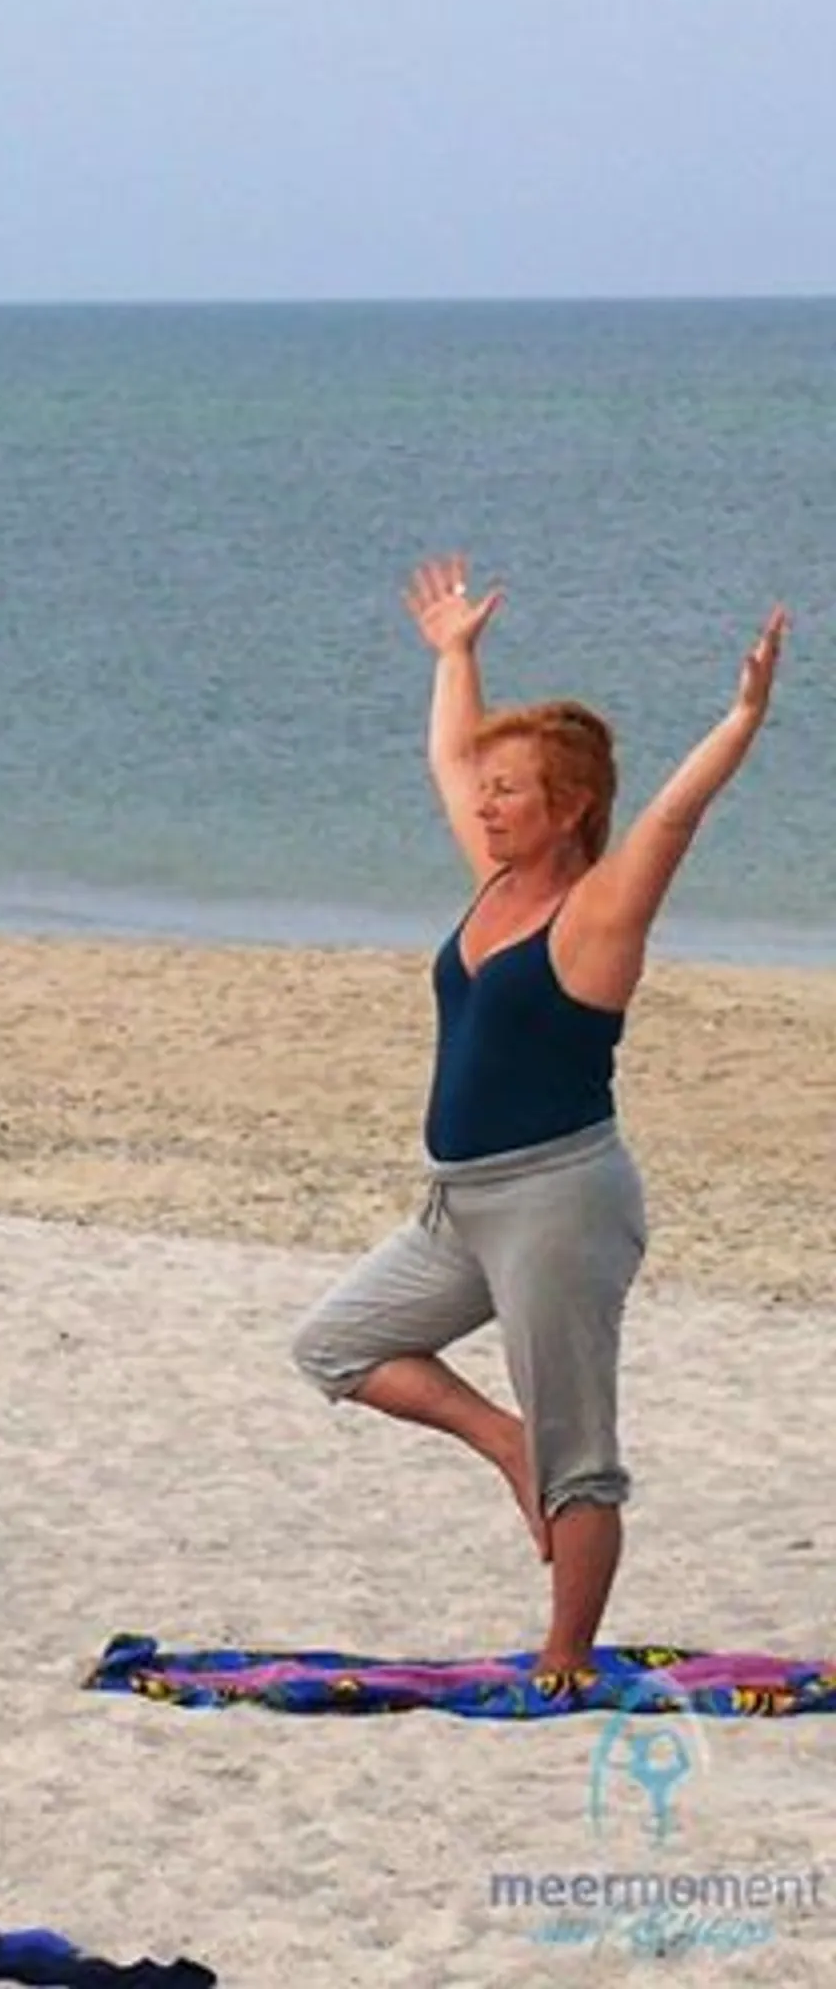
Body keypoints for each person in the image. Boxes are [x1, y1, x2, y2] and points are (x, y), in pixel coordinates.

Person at [290, 556, 787, 1681]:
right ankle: (504, 1441)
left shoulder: (596, 912)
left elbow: (674, 816)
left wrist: (743, 718)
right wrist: (455, 654)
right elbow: (448, 756)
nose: (484, 802)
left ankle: (565, 1662)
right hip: (456, 1208)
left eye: (509, 791)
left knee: (581, 1455)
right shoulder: (495, 879)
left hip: (559, 1203)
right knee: (334, 1344)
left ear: (568, 810)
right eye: (488, 790)